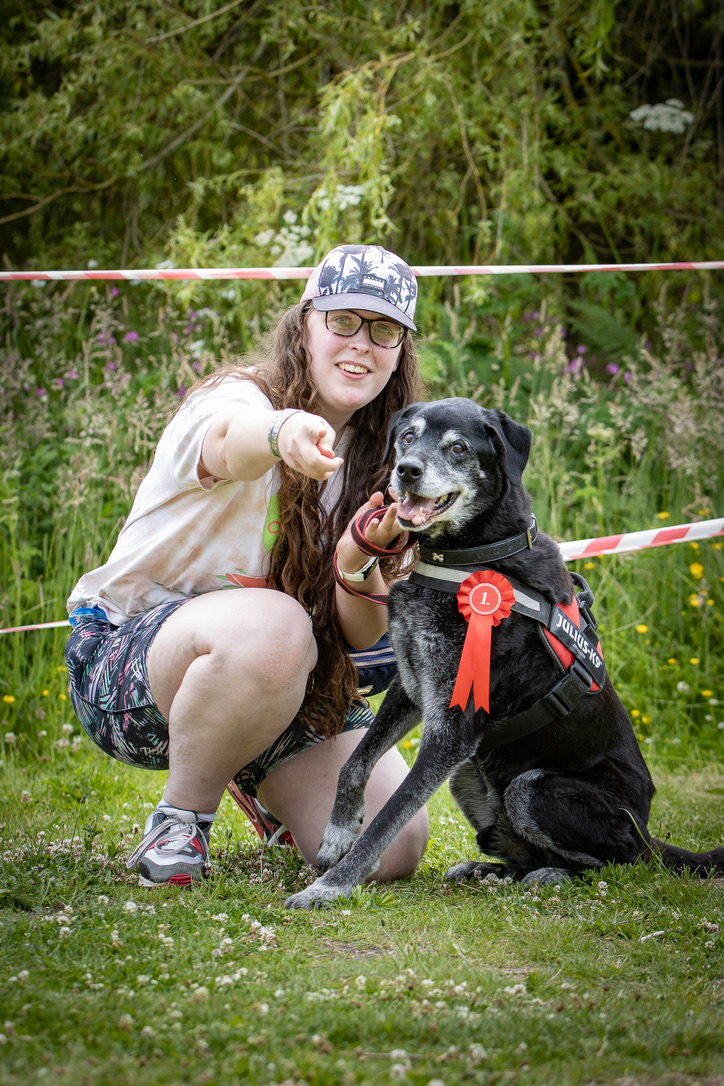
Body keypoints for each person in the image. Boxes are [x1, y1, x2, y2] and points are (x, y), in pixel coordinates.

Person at [64, 243, 430, 888]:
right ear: (305, 324)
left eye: (383, 330)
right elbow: (229, 442)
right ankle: (181, 819)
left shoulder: (390, 455)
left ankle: (251, 767)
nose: (360, 344)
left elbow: (360, 636)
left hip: (287, 679)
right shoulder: (238, 397)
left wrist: (357, 562)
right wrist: (283, 433)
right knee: (274, 626)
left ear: (400, 349)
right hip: (130, 666)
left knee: (390, 846)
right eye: (342, 321)